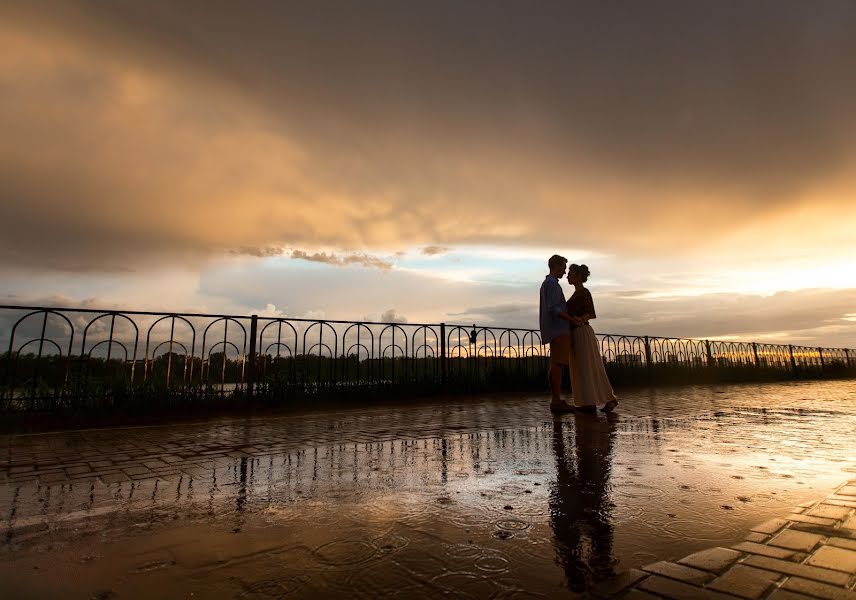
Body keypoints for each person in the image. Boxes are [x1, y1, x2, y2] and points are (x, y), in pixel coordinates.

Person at [566, 264, 619, 413]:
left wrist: (579, 320)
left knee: (589, 365)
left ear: (577, 276)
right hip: (576, 331)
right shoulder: (577, 293)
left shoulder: (584, 292)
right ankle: (587, 401)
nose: (568, 276)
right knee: (581, 367)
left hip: (582, 331)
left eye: (570, 274)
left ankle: (608, 399)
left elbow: (590, 313)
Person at [540, 254, 576, 413]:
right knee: (558, 364)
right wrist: (571, 319)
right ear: (556, 266)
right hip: (559, 328)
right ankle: (556, 401)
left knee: (556, 363)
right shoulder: (553, 284)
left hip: (554, 329)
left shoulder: (546, 283)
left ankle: (556, 399)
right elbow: (555, 309)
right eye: (563, 267)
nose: (564, 271)